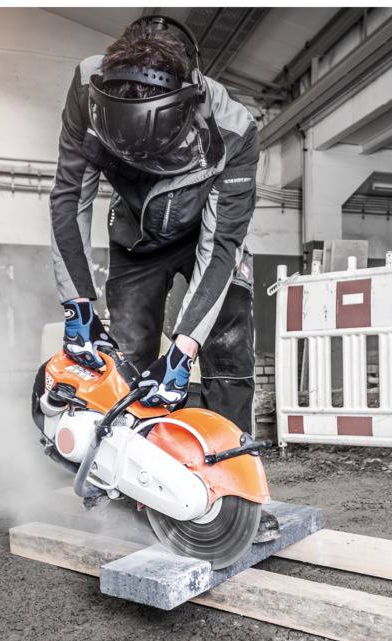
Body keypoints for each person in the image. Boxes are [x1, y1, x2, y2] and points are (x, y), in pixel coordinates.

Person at [49, 16, 258, 432]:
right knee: (125, 355)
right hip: (136, 237)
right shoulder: (86, 90)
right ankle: (121, 469)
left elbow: (219, 249)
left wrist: (183, 351)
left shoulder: (235, 130)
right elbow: (70, 198)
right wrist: (78, 307)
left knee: (228, 349)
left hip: (205, 231)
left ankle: (229, 467)